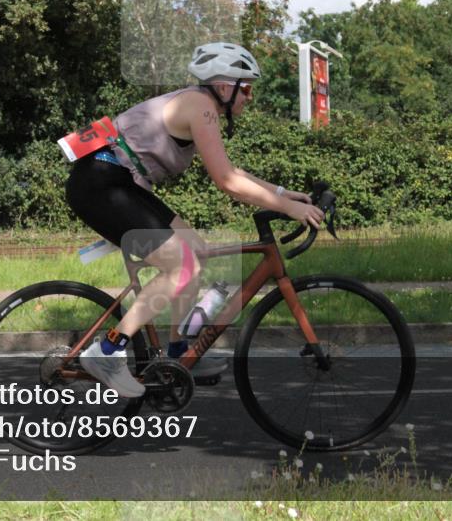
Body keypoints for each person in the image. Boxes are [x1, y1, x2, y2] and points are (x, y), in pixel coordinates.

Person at [65, 42, 324, 397]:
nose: (249, 98)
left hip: (118, 183)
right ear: (224, 87)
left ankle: (177, 353)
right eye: (246, 89)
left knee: (195, 252)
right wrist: (288, 209)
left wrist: (283, 194)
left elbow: (232, 170)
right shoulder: (200, 107)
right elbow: (227, 181)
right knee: (182, 267)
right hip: (101, 184)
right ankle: (107, 351)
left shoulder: (200, 105)